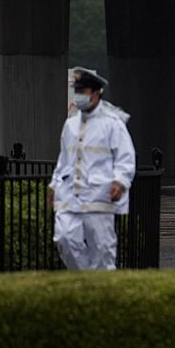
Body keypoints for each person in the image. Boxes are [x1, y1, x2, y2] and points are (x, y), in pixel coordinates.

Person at [46, 67, 136, 270]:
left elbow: (125, 156)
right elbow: (64, 158)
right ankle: (85, 279)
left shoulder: (112, 123)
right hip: (70, 194)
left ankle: (100, 289)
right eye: (77, 91)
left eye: (83, 91)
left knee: (102, 249)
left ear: (96, 93)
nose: (79, 96)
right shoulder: (70, 124)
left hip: (99, 195)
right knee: (64, 238)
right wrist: (54, 185)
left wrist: (120, 182)